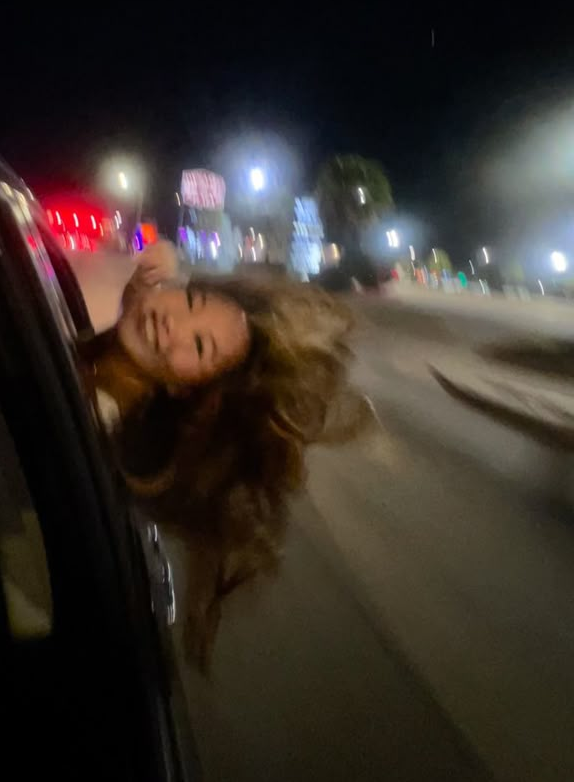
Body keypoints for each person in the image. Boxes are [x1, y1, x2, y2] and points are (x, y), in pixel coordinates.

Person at [77, 243, 371, 668]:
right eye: (191, 301)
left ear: (185, 389)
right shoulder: (106, 367)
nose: (172, 321)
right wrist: (140, 292)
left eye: (199, 346)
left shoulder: (107, 433)